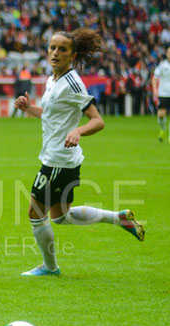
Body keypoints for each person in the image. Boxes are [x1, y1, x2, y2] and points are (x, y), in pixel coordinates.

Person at [13, 28, 145, 277]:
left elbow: (97, 121)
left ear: (72, 55)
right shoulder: (53, 79)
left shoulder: (73, 82)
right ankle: (119, 218)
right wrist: (30, 108)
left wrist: (79, 132)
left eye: (62, 49)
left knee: (34, 212)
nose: (55, 53)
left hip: (58, 160)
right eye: (52, 47)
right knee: (61, 217)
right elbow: (52, 116)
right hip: (61, 157)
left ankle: (50, 268)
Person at [153, 47, 170, 142]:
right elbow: (155, 78)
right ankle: (163, 129)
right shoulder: (162, 65)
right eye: (168, 52)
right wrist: (155, 89)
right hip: (163, 93)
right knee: (161, 115)